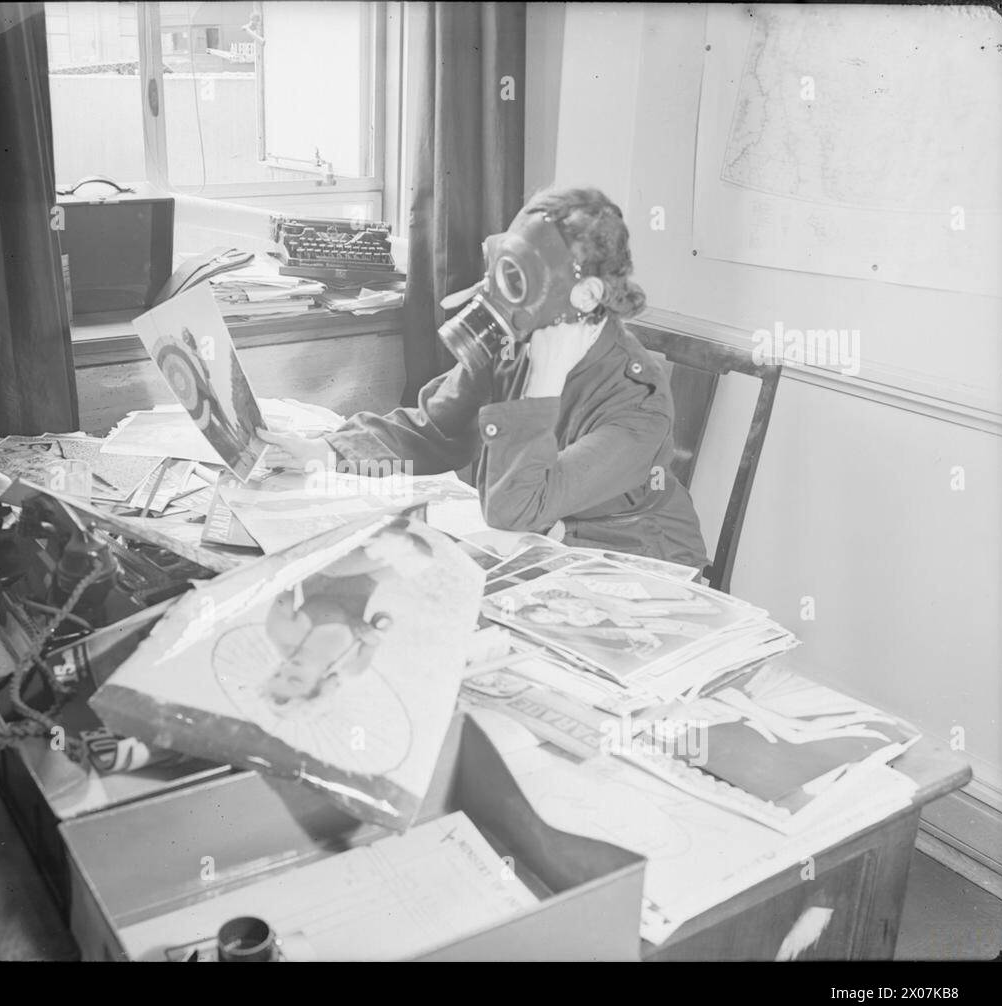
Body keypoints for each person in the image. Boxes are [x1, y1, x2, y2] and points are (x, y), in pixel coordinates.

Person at [259, 187, 709, 569]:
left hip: (632, 560)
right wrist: (326, 452)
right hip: (536, 540)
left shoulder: (639, 402)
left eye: (524, 280)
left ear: (588, 295)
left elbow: (514, 509)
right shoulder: (514, 340)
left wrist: (543, 385)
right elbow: (434, 430)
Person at [262, 519, 433, 707]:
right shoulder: (350, 666)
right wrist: (368, 633)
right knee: (419, 557)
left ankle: (383, 531)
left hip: (329, 567)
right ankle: (385, 532)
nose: (287, 669)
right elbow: (374, 640)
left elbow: (286, 579)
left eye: (277, 673)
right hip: (367, 580)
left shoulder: (280, 633)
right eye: (295, 679)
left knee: (395, 544)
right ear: (319, 685)